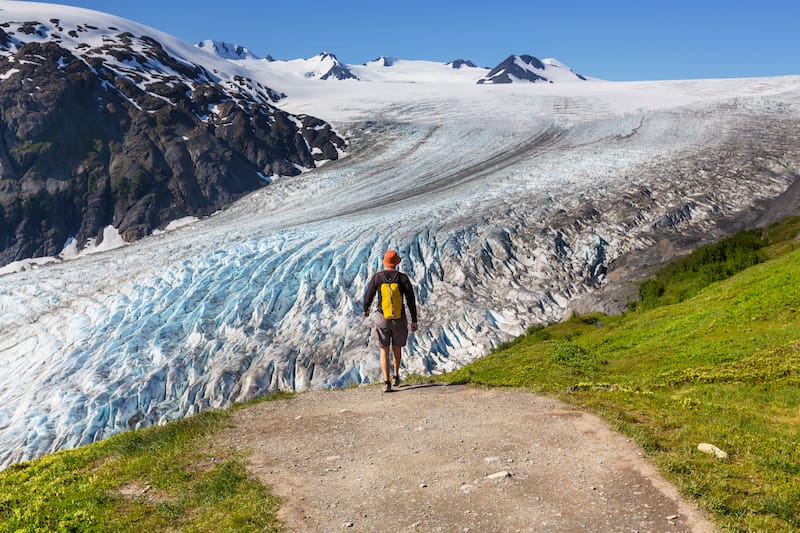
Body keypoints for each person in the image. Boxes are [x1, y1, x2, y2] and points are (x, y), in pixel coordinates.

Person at [363, 249, 418, 392]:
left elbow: (369, 295)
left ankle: (386, 382)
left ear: (385, 263)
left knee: (383, 351)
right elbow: (411, 300)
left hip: (382, 318)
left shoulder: (377, 277)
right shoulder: (402, 278)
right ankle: (396, 376)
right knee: (396, 348)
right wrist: (414, 320)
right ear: (396, 263)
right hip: (399, 318)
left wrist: (366, 308)